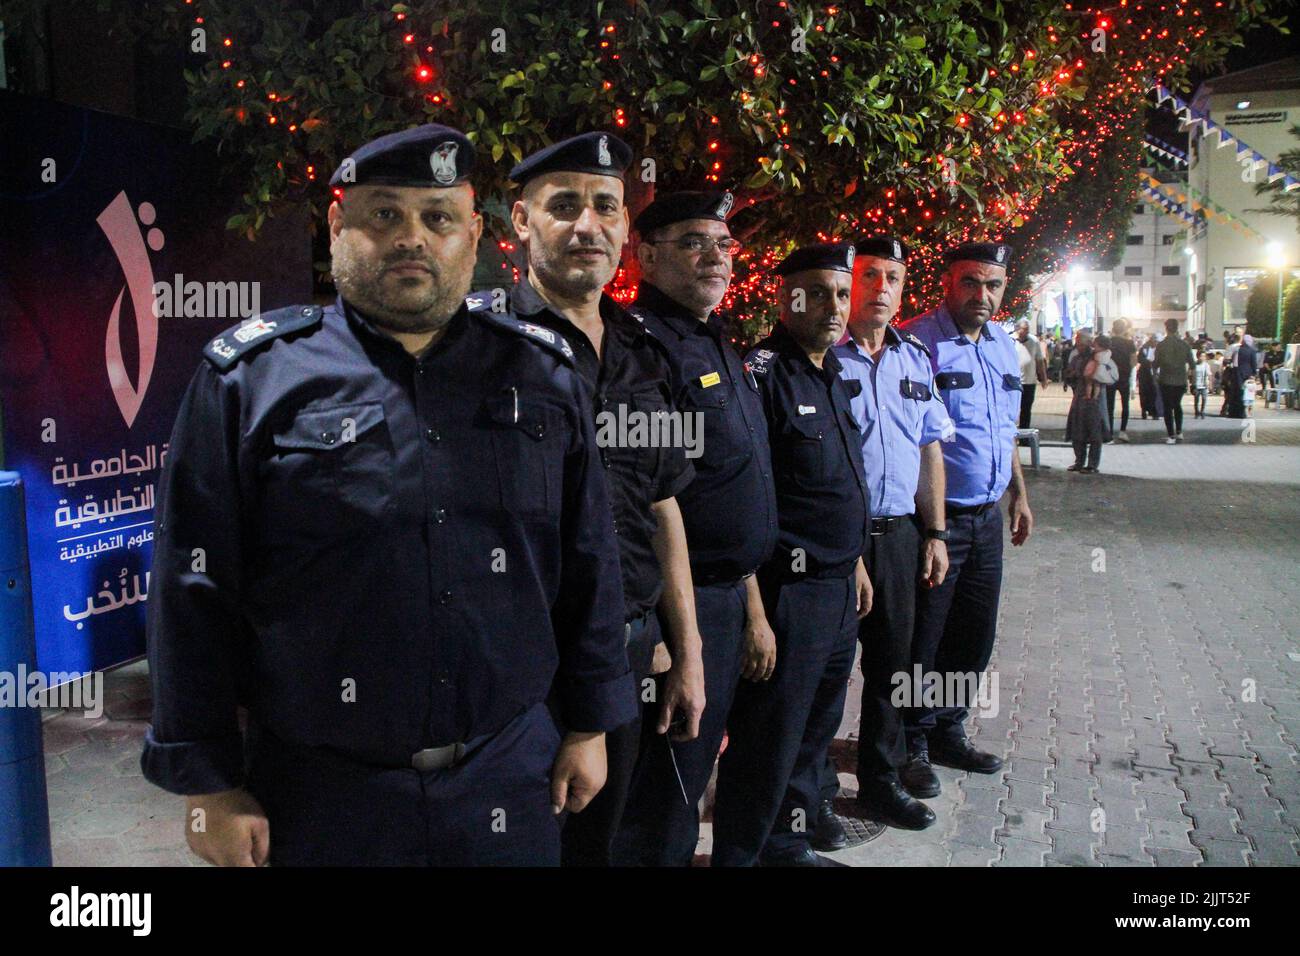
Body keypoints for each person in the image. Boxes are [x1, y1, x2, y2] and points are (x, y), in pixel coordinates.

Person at [141, 124, 636, 866]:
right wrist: (207, 785)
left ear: (473, 236)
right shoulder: (251, 380)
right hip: (320, 793)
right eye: (384, 214)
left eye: (437, 218)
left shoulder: (540, 376)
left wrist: (591, 725)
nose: (413, 238)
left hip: (507, 774)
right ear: (338, 226)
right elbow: (191, 590)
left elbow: (588, 558)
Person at [501, 132, 705, 867]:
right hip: (519, 670)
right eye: (564, 206)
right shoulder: (483, 348)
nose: (587, 225)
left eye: (606, 207)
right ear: (522, 222)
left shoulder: (643, 352)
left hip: (626, 657)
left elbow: (663, 507)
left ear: (624, 225)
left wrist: (688, 653)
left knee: (600, 845)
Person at [612, 191, 780, 866]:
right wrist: (685, 649)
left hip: (728, 597)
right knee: (660, 795)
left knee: (693, 777)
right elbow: (656, 506)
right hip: (680, 610)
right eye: (692, 242)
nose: (714, 256)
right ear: (647, 256)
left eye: (724, 244)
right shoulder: (640, 347)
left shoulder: (716, 339)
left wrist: (754, 609)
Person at [712, 242, 873, 867]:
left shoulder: (830, 371)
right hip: (787, 597)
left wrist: (856, 560)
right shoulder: (763, 375)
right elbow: (751, 505)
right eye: (819, 292)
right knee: (767, 742)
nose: (835, 306)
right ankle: (742, 858)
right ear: (788, 297)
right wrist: (755, 613)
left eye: (842, 292)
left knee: (812, 736)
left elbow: (839, 484)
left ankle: (786, 846)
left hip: (836, 592)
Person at [898, 242, 1033, 797]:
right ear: (948, 283)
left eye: (993, 285)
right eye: (971, 282)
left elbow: (1005, 431)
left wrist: (1018, 496)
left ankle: (948, 728)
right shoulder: (915, 342)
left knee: (973, 635)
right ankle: (909, 743)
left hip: (987, 521)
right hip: (937, 519)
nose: (983, 295)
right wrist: (932, 529)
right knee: (922, 638)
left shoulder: (1004, 345)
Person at [830, 236, 952, 831]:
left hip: (901, 537)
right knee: (823, 671)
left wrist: (936, 532)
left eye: (893, 279)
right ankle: (807, 788)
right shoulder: (823, 355)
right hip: (834, 543)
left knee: (891, 667)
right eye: (870, 276)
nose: (882, 289)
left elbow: (929, 447)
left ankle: (881, 781)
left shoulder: (913, 359)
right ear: (849, 283)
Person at [1066, 336, 1109, 473]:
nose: (1079, 347)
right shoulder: (1076, 358)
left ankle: (1092, 464)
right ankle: (1079, 461)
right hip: (1079, 397)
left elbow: (1103, 375)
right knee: (1077, 431)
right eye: (1077, 344)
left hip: (1094, 400)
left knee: (1094, 432)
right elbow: (1069, 373)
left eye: (1081, 344)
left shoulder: (1097, 357)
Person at [1154, 317, 1194, 444]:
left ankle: (1170, 435)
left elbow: (1155, 364)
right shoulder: (1185, 345)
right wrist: (1190, 378)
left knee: (1167, 407)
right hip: (1180, 380)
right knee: (1177, 405)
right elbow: (1192, 365)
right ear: (1177, 328)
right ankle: (1179, 431)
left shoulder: (1161, 345)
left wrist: (1155, 374)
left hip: (1166, 379)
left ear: (1166, 328)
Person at [1106, 318, 1138, 441]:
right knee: (1125, 404)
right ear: (1124, 329)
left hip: (1110, 376)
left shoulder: (1108, 343)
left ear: (1113, 329)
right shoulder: (1129, 343)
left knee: (1110, 405)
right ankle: (1123, 431)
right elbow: (1134, 361)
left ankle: (1109, 432)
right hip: (1124, 376)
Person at [1013, 318, 1048, 428]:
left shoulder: (1034, 341)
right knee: (1013, 408)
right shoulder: (1010, 340)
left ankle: (1024, 433)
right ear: (1018, 329)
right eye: (1024, 329)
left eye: (1028, 329)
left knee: (1026, 408)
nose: (1027, 331)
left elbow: (1039, 361)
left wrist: (1043, 378)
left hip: (1029, 381)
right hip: (1014, 381)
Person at [1137, 334, 1160, 420]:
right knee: (1144, 393)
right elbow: (1139, 359)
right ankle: (1144, 410)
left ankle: (1154, 411)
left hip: (1154, 373)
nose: (1155, 342)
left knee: (1154, 393)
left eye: (1156, 341)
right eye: (1153, 340)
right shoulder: (1144, 348)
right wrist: (1147, 362)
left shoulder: (1159, 350)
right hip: (1144, 373)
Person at [1192, 351, 1210, 419]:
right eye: (1201, 356)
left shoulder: (1206, 365)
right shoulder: (1194, 365)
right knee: (1196, 400)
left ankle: (1202, 412)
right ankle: (1196, 412)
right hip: (1196, 385)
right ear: (1198, 357)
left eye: (1204, 356)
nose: (1202, 358)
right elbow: (1190, 375)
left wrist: (1210, 384)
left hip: (1204, 385)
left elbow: (1209, 374)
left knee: (1204, 398)